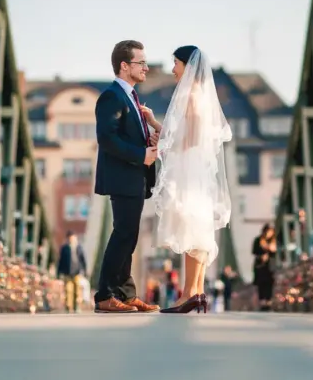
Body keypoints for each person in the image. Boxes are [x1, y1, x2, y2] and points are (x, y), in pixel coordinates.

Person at [141, 45, 232, 315]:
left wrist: (163, 146)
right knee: (198, 230)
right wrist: (158, 127)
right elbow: (189, 136)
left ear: (187, 66)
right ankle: (197, 292)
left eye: (176, 64)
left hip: (188, 171)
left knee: (190, 229)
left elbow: (189, 140)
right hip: (197, 172)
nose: (172, 69)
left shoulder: (191, 96)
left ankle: (188, 294)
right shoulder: (202, 97)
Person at [92, 40, 161, 314]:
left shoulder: (130, 97)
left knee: (129, 236)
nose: (145, 67)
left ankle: (125, 293)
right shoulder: (112, 96)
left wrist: (149, 139)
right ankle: (105, 295)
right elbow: (107, 138)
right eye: (140, 63)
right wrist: (141, 154)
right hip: (123, 176)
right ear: (124, 65)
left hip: (134, 177)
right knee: (123, 235)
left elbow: (124, 135)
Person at [56, 231, 87, 313]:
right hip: (67, 272)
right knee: (68, 290)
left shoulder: (79, 247)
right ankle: (68, 307)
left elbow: (83, 260)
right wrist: (58, 273)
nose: (71, 239)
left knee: (77, 290)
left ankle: (76, 306)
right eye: (70, 238)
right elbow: (61, 261)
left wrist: (84, 270)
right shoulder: (64, 248)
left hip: (77, 272)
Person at [253, 223, 277, 311]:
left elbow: (277, 254)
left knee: (269, 284)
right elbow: (254, 251)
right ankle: (262, 302)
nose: (269, 233)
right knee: (261, 284)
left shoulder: (274, 241)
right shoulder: (258, 240)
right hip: (260, 266)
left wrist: (271, 250)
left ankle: (268, 302)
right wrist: (261, 256)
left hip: (270, 267)